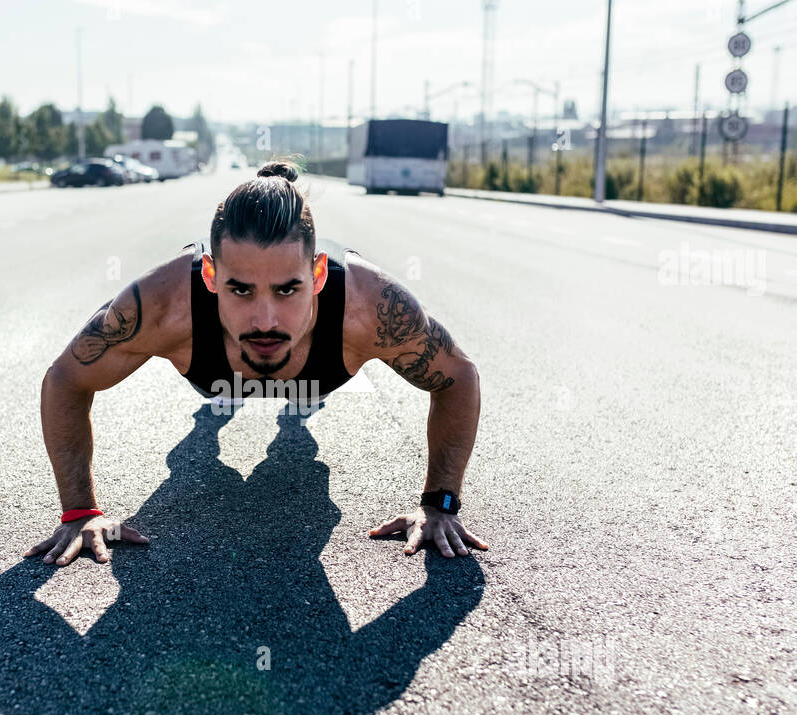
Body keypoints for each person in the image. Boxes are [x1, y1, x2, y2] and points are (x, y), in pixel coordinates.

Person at [25, 159, 487, 567]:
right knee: (202, 433)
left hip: (316, 375)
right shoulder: (163, 304)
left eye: (288, 289)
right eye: (240, 289)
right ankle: (213, 420)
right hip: (215, 374)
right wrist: (80, 512)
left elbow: (457, 377)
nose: (265, 319)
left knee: (301, 416)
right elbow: (66, 378)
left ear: (318, 273)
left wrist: (441, 503)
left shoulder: (370, 306)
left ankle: (297, 415)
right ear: (210, 275)